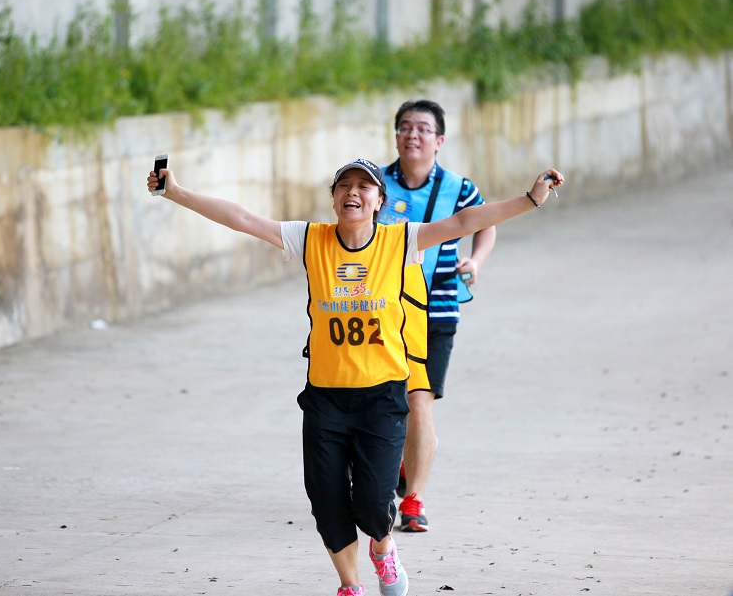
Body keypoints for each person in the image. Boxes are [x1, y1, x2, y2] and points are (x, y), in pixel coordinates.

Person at [147, 157, 562, 596]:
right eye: (344, 185)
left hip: (382, 398)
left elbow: (463, 221)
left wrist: (530, 199)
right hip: (325, 398)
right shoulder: (310, 239)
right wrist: (175, 192)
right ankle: (350, 585)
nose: (353, 192)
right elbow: (244, 219)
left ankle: (382, 548)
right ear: (333, 198)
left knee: (372, 502)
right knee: (326, 500)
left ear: (380, 201)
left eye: (365, 186)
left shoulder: (401, 240)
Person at [377, 99, 496, 533]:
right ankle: (394, 467)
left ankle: (412, 500)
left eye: (423, 129)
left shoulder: (459, 188)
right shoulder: (373, 183)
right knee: (379, 400)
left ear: (439, 140)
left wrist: (475, 261)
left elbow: (485, 223)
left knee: (418, 400)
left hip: (436, 309)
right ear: (396, 136)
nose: (413, 135)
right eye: (405, 127)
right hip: (381, 310)